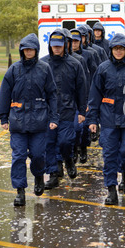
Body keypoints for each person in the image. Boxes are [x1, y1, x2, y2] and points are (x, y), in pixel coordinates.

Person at [0, 33, 59, 206]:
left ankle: (39, 176)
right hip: (18, 121)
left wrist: (54, 117)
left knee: (38, 155)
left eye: (31, 49)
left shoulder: (44, 69)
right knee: (18, 157)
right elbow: (4, 94)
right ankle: (20, 191)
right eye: (26, 49)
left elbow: (52, 95)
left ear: (36, 50)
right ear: (22, 51)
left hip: (39, 121)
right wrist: (3, 117)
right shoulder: (14, 70)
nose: (28, 52)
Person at [87, 34, 125, 205]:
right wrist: (92, 120)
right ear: (111, 50)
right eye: (116, 49)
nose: (119, 51)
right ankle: (111, 189)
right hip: (108, 119)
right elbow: (94, 95)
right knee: (109, 155)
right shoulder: (103, 69)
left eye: (122, 48)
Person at [40, 31, 87, 189]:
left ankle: (68, 160)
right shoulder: (43, 64)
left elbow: (81, 88)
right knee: (49, 144)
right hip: (47, 112)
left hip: (67, 110)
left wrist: (82, 111)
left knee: (66, 142)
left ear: (65, 46)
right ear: (50, 46)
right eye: (54, 46)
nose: (57, 49)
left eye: (59, 46)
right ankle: (54, 172)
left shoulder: (75, 64)